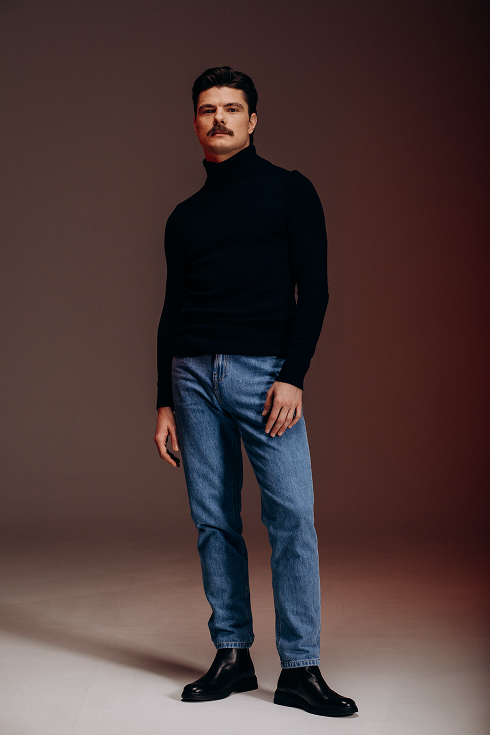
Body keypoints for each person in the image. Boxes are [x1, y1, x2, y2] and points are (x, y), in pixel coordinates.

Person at [154, 66, 357, 718]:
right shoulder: (184, 218)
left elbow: (315, 290)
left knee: (291, 515)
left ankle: (300, 668)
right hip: (192, 375)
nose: (219, 118)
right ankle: (233, 654)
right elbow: (171, 309)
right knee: (214, 520)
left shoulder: (289, 191)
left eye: (232, 108)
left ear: (253, 119)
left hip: (265, 375)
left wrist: (293, 375)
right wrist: (163, 400)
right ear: (195, 122)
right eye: (207, 109)